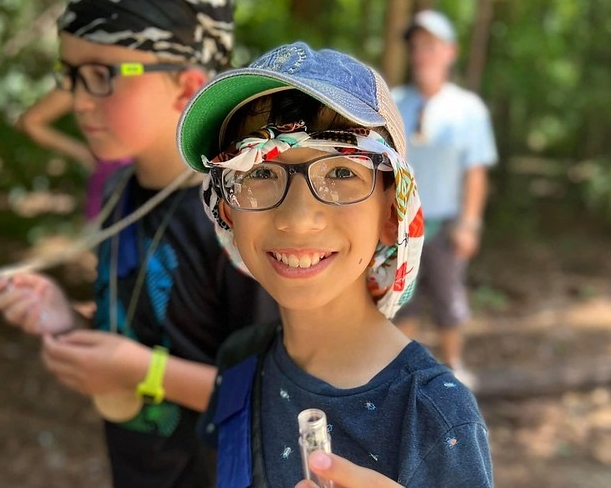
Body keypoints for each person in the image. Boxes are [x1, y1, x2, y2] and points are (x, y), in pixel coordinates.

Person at [177, 41, 493, 487]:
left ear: (392, 213)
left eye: (342, 172)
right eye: (260, 172)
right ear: (226, 210)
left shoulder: (434, 416)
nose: (297, 219)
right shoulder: (240, 362)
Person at [0, 1, 279, 487]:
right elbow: (144, 325)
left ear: (188, 86)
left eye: (103, 74)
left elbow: (277, 392)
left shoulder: (245, 217)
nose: (79, 99)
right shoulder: (118, 192)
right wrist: (66, 318)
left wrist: (146, 373)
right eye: (70, 75)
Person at [391, 10, 498, 387]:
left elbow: (476, 171)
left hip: (446, 222)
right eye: (417, 46)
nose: (422, 53)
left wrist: (470, 223)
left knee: (449, 300)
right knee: (401, 297)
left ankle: (454, 367)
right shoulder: (394, 102)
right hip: (401, 221)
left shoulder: (468, 109)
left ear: (449, 52)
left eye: (431, 46)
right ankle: (405, 373)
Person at [15, 87, 132, 220]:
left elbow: (29, 123)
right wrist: (84, 153)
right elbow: (29, 123)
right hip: (116, 198)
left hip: (116, 194)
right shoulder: (90, 75)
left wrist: (85, 154)